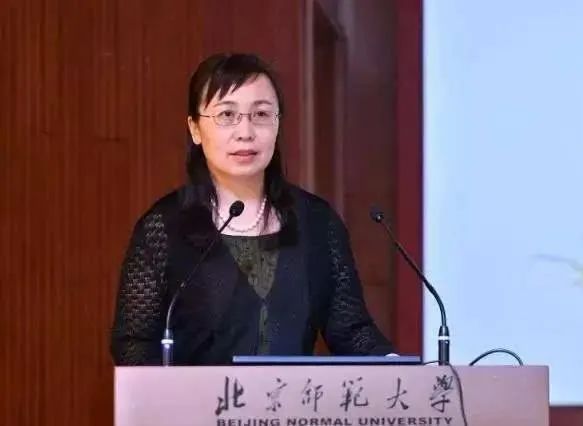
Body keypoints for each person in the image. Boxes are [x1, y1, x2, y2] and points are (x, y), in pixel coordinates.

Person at [110, 53, 393, 365]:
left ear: (278, 123)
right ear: (195, 129)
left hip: (293, 398)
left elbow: (351, 331)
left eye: (260, 114)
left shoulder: (317, 222)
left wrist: (395, 366)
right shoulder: (164, 227)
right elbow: (134, 343)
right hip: (198, 398)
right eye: (227, 115)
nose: (245, 132)